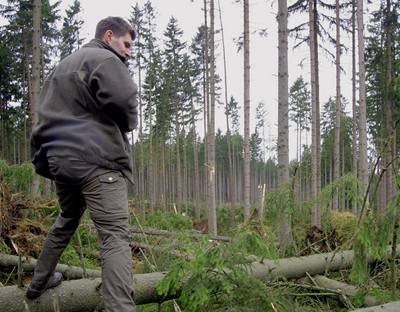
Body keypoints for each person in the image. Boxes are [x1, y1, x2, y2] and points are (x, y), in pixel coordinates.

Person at [27, 16, 138, 312]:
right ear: (109, 35)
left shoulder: (60, 68)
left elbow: (44, 118)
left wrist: (47, 161)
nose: (129, 51)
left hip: (63, 163)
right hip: (97, 161)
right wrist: (127, 124)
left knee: (67, 219)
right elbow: (125, 99)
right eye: (126, 44)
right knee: (114, 236)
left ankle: (38, 283)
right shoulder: (104, 58)